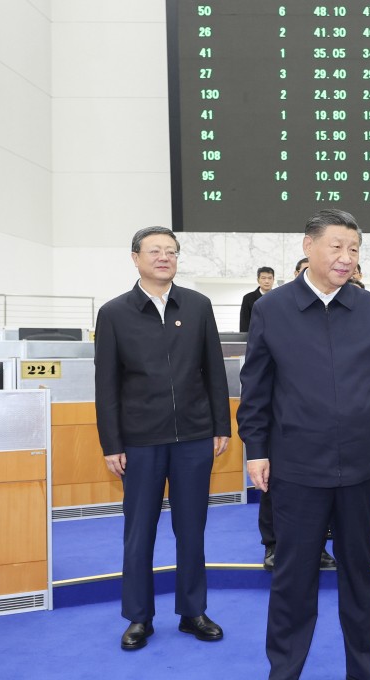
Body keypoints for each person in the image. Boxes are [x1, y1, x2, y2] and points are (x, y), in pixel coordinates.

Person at [239, 208, 370, 680]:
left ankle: (365, 668)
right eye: (336, 246)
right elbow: (256, 389)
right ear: (308, 246)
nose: (346, 257)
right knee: (293, 578)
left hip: (359, 468)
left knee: (359, 574)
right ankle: (285, 668)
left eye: (354, 249)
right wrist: (256, 449)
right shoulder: (271, 309)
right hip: (297, 469)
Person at [94, 226, 232, 651]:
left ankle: (193, 611)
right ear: (135, 257)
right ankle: (139, 617)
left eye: (171, 251)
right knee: (140, 532)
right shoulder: (115, 312)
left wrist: (221, 426)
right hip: (139, 440)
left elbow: (213, 369)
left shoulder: (198, 305)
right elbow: (107, 384)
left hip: (193, 436)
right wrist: (111, 443)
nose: (164, 258)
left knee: (192, 528)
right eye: (154, 251)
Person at [258, 254, 335, 572]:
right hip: (285, 423)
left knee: (324, 494)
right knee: (273, 490)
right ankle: (273, 545)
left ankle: (319, 547)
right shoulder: (276, 310)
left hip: (325, 426)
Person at [239, 266, 275, 332]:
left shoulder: (278, 297)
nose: (267, 281)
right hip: (255, 337)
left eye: (270, 278)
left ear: (273, 280)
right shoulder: (248, 298)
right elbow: (244, 321)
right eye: (263, 278)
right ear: (258, 280)